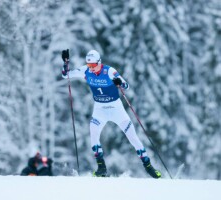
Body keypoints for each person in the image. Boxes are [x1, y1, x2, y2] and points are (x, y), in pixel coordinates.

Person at [61, 49, 161, 178]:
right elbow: (66, 75)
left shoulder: (109, 71)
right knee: (93, 133)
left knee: (133, 138)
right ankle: (101, 167)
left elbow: (126, 86)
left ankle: (149, 167)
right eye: (89, 65)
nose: (91, 68)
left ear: (99, 62)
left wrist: (120, 83)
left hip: (116, 109)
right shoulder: (85, 70)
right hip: (99, 110)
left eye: (93, 65)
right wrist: (65, 63)